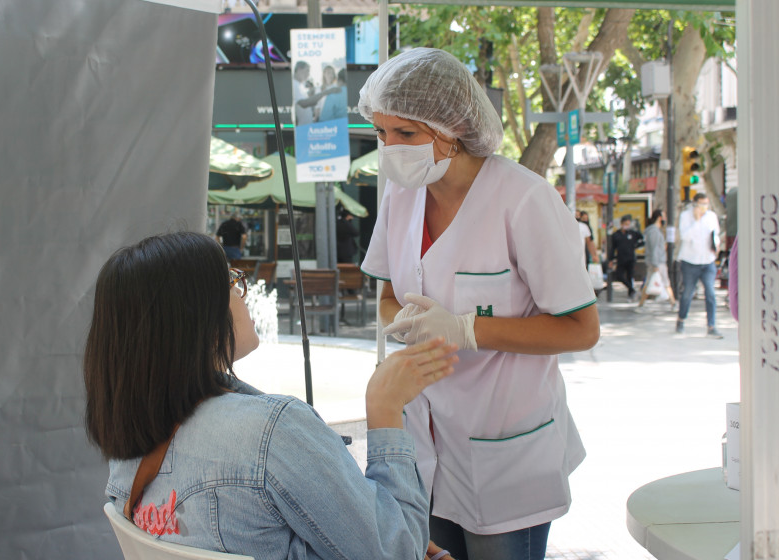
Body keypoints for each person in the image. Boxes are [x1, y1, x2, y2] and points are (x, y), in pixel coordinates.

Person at [357, 48, 600, 560]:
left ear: (453, 128)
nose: (390, 149)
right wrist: (401, 325)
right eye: (382, 134)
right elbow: (386, 297)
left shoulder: (524, 200)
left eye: (405, 134)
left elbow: (580, 328)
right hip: (424, 452)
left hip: (506, 452)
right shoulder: (401, 198)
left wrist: (469, 330)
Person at [84, 231, 460, 559]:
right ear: (196, 317)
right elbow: (398, 552)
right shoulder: (272, 433)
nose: (241, 291)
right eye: (230, 280)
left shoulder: (130, 446)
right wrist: (386, 409)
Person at [675, 192, 722, 337]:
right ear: (694, 204)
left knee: (710, 293)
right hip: (690, 261)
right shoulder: (686, 216)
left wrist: (717, 246)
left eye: (706, 204)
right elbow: (685, 236)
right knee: (688, 293)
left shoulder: (712, 217)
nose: (703, 207)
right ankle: (681, 320)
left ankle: (711, 325)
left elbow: (715, 235)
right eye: (701, 204)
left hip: (707, 260)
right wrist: (696, 220)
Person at [637, 209, 676, 308]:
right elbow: (654, 248)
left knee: (651, 282)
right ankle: (673, 303)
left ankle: (642, 304)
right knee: (664, 283)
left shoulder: (655, 231)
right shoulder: (654, 231)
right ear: (659, 218)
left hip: (657, 261)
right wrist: (655, 264)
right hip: (657, 262)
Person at [608, 214, 644, 299]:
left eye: (628, 224)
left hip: (631, 258)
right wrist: (611, 259)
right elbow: (613, 248)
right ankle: (631, 289)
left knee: (630, 276)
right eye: (625, 224)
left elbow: (642, 240)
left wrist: (636, 245)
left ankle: (630, 294)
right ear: (621, 223)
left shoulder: (633, 233)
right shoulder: (616, 235)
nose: (627, 226)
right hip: (621, 259)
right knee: (619, 275)